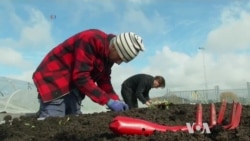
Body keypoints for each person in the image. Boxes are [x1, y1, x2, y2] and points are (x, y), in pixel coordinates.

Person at [32, 29, 145, 118]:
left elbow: (103, 79)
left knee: (73, 120)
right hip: (55, 79)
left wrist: (115, 99)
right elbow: (81, 77)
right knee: (53, 122)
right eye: (120, 58)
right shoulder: (90, 39)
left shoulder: (108, 56)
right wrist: (108, 101)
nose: (119, 63)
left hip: (73, 85)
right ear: (114, 47)